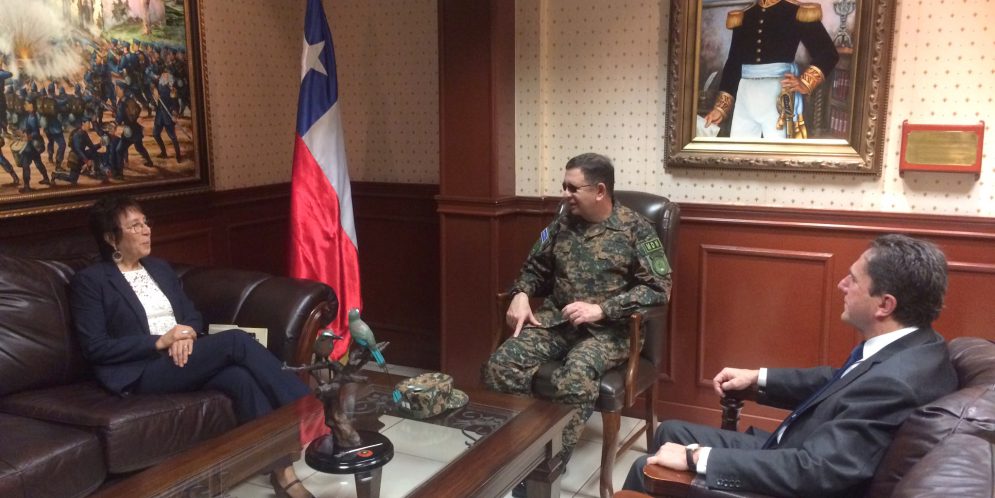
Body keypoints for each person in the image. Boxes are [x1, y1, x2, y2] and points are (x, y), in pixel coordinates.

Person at [623, 234, 958, 497]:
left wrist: (695, 459)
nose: (842, 285)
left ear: (884, 305)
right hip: (794, 451)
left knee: (644, 468)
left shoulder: (896, 384)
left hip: (793, 475)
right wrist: (758, 378)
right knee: (670, 431)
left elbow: (816, 471)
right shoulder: (915, 346)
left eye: (854, 280)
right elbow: (839, 382)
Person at [69, 195, 316, 498]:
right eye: (135, 226)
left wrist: (185, 335)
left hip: (182, 357)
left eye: (146, 222)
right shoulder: (91, 281)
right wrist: (160, 341)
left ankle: (284, 474)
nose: (146, 230)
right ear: (111, 238)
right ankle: (314, 413)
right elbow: (96, 347)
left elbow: (192, 315)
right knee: (237, 341)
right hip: (142, 370)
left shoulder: (159, 269)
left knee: (241, 378)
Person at [482, 153, 673, 484]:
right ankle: (522, 446)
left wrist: (603, 309)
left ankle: (550, 463)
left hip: (610, 332)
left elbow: (659, 289)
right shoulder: (561, 224)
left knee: (576, 375)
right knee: (500, 363)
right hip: (557, 322)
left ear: (599, 191)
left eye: (573, 188)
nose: (565, 194)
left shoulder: (637, 229)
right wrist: (521, 293)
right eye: (564, 187)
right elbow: (533, 268)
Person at [703, 0, 839, 138]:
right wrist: (720, 108)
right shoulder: (744, 16)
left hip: (779, 94)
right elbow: (733, 63)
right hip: (745, 95)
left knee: (778, 150)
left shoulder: (797, 11)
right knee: (740, 149)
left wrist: (805, 82)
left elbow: (827, 53)